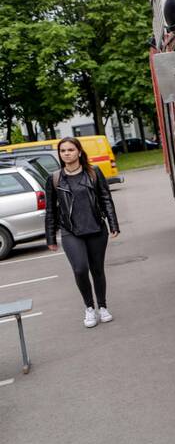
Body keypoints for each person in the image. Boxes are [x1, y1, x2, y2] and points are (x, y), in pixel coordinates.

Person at [44, 137, 120, 328]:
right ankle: (89, 308)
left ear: (79, 152)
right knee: (79, 269)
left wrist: (113, 224)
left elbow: (106, 198)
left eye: (70, 150)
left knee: (97, 269)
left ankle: (102, 307)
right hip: (71, 232)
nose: (67, 153)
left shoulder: (93, 173)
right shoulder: (54, 178)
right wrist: (51, 237)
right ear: (60, 155)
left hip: (95, 228)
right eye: (63, 151)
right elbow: (51, 210)